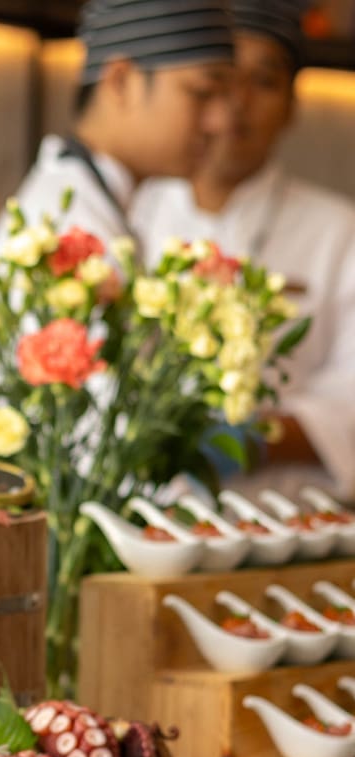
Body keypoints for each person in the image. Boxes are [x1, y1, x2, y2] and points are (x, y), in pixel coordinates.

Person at [133, 1, 355, 498]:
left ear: (294, 105)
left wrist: (252, 439)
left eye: (263, 81)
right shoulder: (132, 216)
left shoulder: (341, 230)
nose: (236, 101)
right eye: (221, 78)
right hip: (142, 515)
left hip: (287, 518)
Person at [0, 0, 234, 254]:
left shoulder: (98, 202)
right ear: (121, 82)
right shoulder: (64, 228)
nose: (221, 121)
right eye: (203, 93)